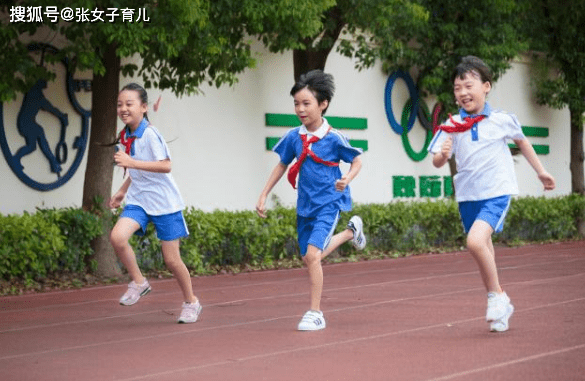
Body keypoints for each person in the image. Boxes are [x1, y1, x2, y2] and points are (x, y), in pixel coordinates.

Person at [429, 56, 556, 332]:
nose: (462, 92)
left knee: (475, 242)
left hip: (497, 192)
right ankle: (501, 308)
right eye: (457, 88)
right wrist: (443, 155)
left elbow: (522, 142)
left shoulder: (501, 120)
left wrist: (541, 172)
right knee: (484, 247)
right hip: (467, 195)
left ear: (486, 86)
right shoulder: (450, 124)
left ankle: (495, 295)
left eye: (468, 85)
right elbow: (437, 161)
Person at [256, 70, 366, 331]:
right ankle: (351, 233)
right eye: (296, 103)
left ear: (323, 104)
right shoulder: (295, 136)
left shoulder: (333, 137)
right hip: (305, 206)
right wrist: (263, 194)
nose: (300, 109)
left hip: (329, 204)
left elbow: (357, 160)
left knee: (313, 257)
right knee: (309, 257)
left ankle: (315, 312)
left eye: (306, 103)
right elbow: (282, 165)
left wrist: (347, 178)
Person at [108, 83, 202, 324]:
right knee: (117, 238)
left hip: (164, 204)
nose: (123, 108)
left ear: (143, 107)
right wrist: (121, 191)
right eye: (120, 104)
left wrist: (131, 162)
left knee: (171, 260)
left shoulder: (150, 134)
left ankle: (191, 301)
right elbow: (136, 169)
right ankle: (139, 282)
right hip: (139, 200)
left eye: (129, 104)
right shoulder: (124, 136)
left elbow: (165, 165)